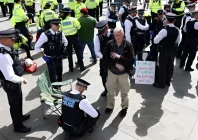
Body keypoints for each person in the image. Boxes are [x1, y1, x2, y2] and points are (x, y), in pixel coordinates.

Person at [0, 29, 31, 133]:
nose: (14, 40)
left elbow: (13, 60)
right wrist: (22, 79)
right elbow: (9, 76)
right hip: (11, 84)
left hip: (14, 83)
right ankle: (18, 127)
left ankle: (19, 117)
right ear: (4, 40)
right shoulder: (3, 55)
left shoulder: (7, 48)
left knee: (18, 101)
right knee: (15, 105)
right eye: (12, 38)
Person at [103, 27, 134, 117]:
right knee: (110, 91)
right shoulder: (110, 44)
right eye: (116, 35)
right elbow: (105, 59)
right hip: (112, 72)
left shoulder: (128, 45)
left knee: (124, 92)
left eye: (119, 35)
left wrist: (119, 57)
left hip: (123, 74)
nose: (117, 37)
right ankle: (110, 106)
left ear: (123, 34)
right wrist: (115, 64)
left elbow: (131, 60)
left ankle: (124, 108)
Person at [35, 18, 68, 84]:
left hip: (59, 56)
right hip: (50, 58)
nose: (58, 26)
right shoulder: (45, 34)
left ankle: (59, 84)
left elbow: (65, 42)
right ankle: (54, 86)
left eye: (59, 25)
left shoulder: (60, 33)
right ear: (52, 25)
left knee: (59, 71)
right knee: (52, 73)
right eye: (56, 25)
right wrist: (43, 56)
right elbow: (37, 47)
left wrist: (63, 50)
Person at [153, 13, 180, 88]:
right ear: (174, 20)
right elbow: (178, 41)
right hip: (172, 50)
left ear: (167, 20)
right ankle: (167, 82)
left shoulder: (164, 30)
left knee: (162, 67)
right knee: (169, 66)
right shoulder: (177, 30)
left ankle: (161, 84)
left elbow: (155, 41)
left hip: (164, 50)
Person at [60, 8, 86, 72]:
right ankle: (81, 67)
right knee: (78, 52)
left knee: (69, 54)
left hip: (66, 39)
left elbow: (60, 31)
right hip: (74, 37)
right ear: (69, 13)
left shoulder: (61, 22)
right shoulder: (74, 19)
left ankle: (71, 68)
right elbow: (79, 27)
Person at [94, 20, 114, 96]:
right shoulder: (98, 37)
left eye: (103, 31)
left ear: (107, 28)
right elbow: (97, 51)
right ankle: (106, 90)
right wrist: (104, 58)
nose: (102, 33)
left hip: (114, 58)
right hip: (104, 60)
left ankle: (113, 89)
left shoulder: (113, 34)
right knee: (104, 76)